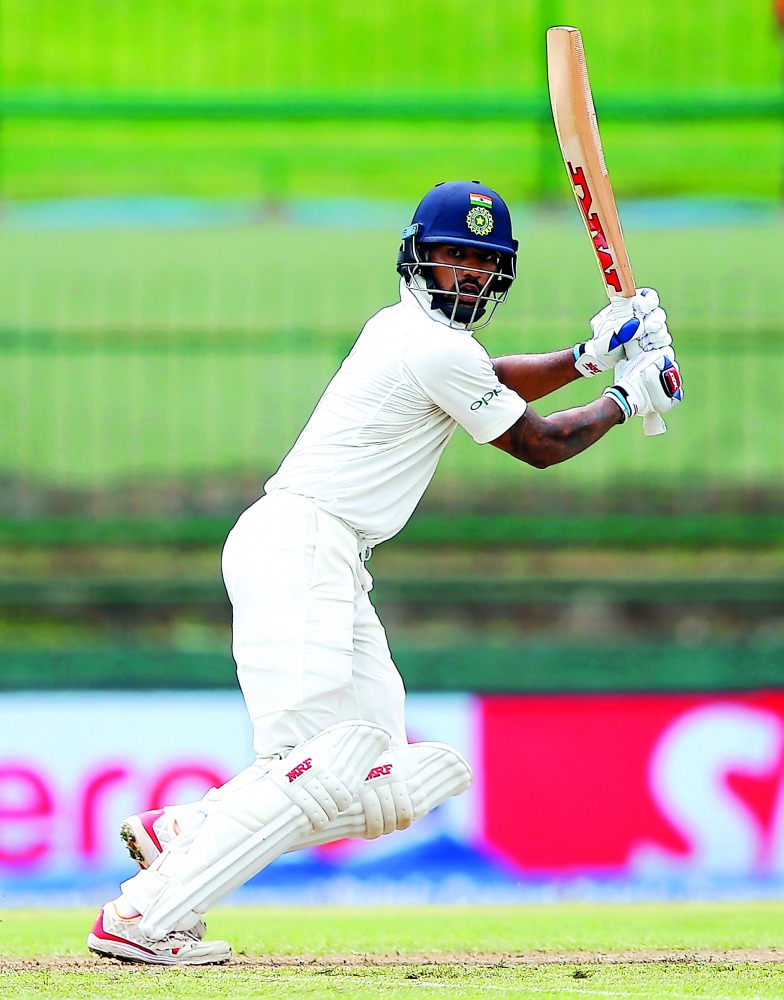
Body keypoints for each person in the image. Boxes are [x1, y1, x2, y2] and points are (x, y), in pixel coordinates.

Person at [86, 180, 682, 965]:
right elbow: (538, 444)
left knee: (387, 777)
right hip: (301, 543)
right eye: (453, 256)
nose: (468, 273)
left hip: (332, 553)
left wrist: (585, 356)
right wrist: (627, 395)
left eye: (483, 262)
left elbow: (489, 378)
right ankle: (142, 918)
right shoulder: (429, 343)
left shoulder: (420, 342)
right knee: (311, 764)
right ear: (417, 257)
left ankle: (191, 832)